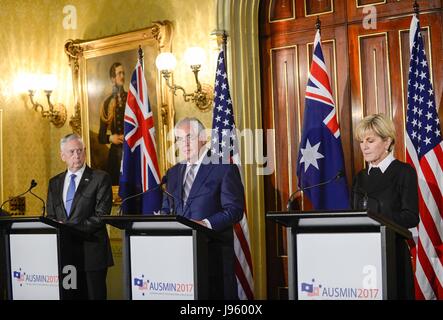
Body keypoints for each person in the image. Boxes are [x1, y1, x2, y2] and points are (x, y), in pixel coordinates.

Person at [162, 117, 244, 300]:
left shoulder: (223, 167)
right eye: (179, 139)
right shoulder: (173, 173)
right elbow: (167, 209)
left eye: (189, 137)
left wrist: (204, 224)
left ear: (203, 138)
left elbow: (234, 209)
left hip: (212, 256)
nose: (184, 144)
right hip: (179, 257)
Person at [351, 113, 419, 299]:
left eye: (370, 140)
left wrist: (378, 219)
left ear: (387, 141)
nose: (364, 146)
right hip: (363, 256)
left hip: (391, 253)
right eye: (361, 141)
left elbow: (411, 216)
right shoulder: (360, 177)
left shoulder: (403, 172)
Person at [46, 133, 114, 300]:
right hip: (66, 254)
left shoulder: (100, 178)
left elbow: (101, 216)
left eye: (80, 151)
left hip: (92, 253)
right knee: (70, 296)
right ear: (63, 156)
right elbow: (51, 215)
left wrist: (68, 228)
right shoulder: (54, 183)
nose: (76, 155)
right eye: (71, 152)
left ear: (85, 152)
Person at [98, 62, 127, 185]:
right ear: (112, 79)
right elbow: (101, 136)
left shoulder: (132, 99)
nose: (122, 76)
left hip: (131, 150)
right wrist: (111, 138)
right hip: (115, 154)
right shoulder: (107, 103)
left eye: (123, 73)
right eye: (119, 73)